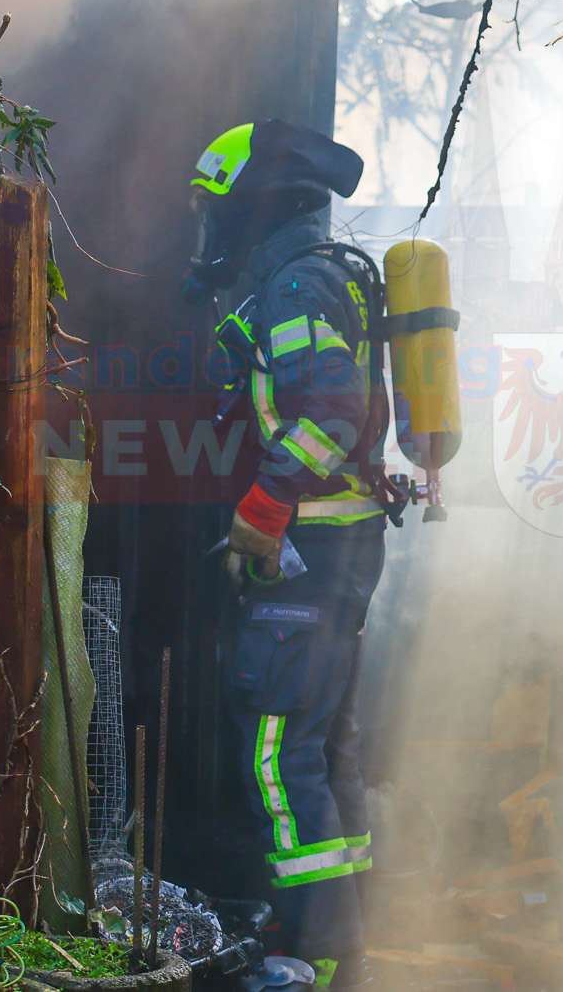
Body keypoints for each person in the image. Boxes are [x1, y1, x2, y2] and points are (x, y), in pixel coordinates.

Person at [183, 119, 389, 990]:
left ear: (254, 206)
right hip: (340, 553)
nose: (209, 226)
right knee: (322, 747)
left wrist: (265, 504)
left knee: (276, 749)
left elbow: (332, 412)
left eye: (216, 207)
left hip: (315, 551)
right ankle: (336, 934)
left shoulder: (298, 287)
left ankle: (312, 950)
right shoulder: (319, 273)